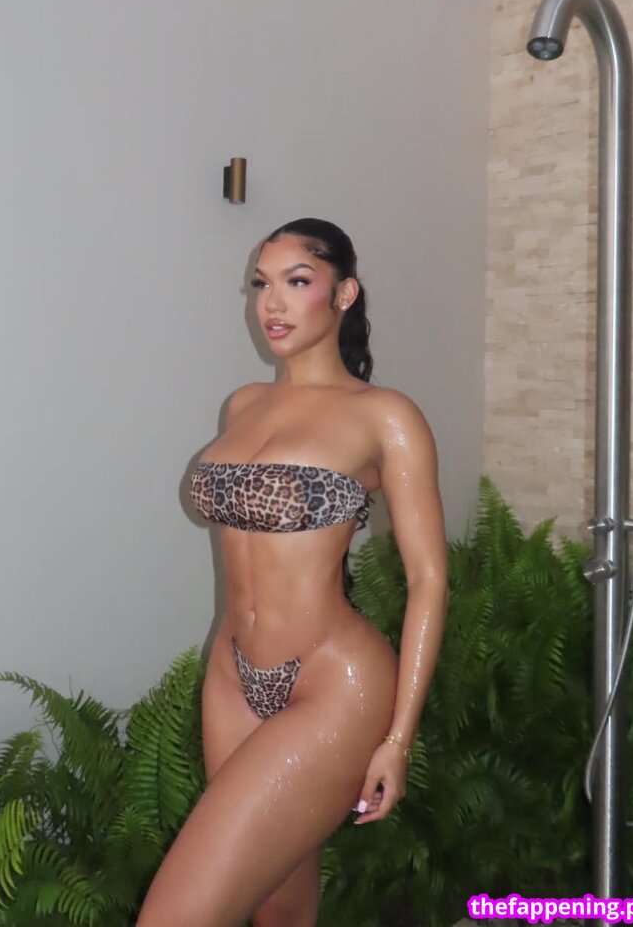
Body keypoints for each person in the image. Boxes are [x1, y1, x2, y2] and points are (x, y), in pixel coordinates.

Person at [136, 218, 449, 927]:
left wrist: (398, 739)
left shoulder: (386, 416)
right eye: (261, 285)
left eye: (296, 282)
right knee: (277, 906)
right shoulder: (243, 404)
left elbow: (429, 580)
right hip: (232, 674)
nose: (271, 304)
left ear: (344, 293)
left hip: (332, 680)